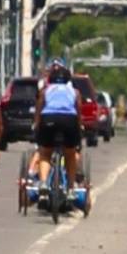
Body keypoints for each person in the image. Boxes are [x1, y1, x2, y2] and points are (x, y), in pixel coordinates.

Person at [28, 59, 86, 208]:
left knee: (45, 154)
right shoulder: (75, 92)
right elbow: (78, 110)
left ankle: (43, 183)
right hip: (69, 120)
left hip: (49, 119)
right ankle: (71, 189)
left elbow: (39, 108)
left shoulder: (45, 90)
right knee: (70, 154)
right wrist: (79, 126)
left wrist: (36, 124)